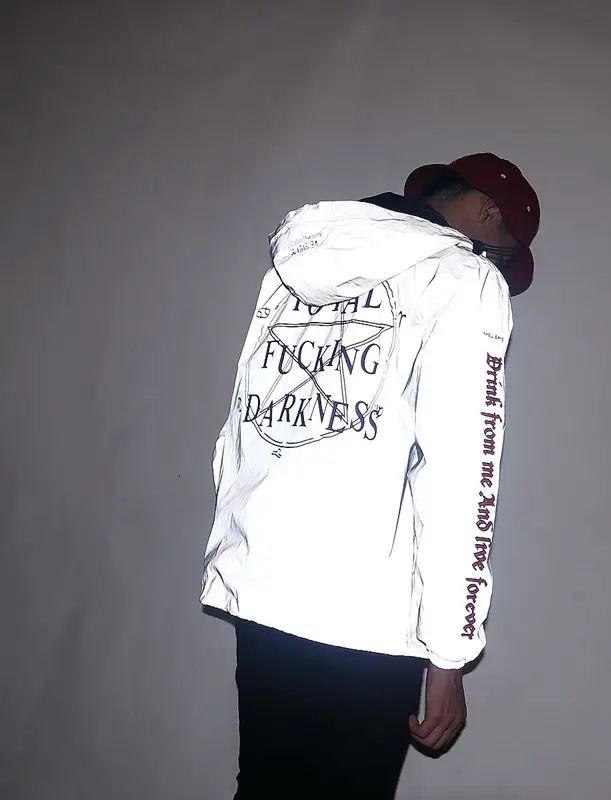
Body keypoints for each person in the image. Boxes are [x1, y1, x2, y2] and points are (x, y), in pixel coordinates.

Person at [200, 152, 540, 798]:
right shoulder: (460, 277)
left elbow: (242, 431)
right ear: (484, 211)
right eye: (500, 248)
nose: (493, 262)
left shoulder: (296, 268)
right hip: (366, 616)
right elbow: (463, 473)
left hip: (265, 596)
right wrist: (450, 652)